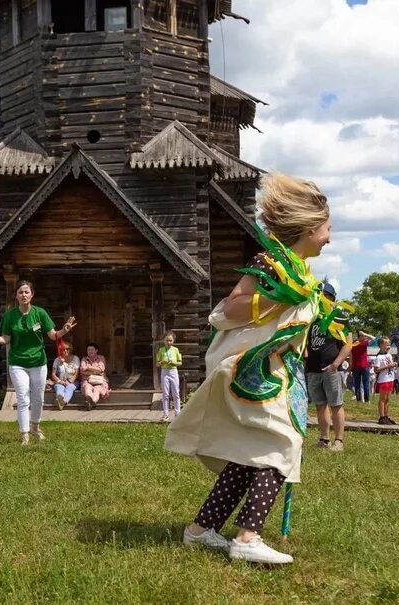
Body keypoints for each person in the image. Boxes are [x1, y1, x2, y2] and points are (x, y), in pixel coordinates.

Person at [166, 172, 339, 565]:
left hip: (281, 373)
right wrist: (277, 298)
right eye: (328, 228)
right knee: (280, 445)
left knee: (249, 456)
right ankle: (247, 537)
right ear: (312, 228)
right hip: (257, 371)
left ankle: (199, 530)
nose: (330, 237)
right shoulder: (273, 263)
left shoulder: (301, 271)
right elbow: (230, 308)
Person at [0, 280, 76, 444]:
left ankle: (35, 427)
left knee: (38, 398)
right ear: (16, 296)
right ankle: (24, 434)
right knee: (23, 397)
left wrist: (64, 330)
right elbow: (6, 339)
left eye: (26, 292)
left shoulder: (40, 313)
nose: (23, 295)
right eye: (20, 292)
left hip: (38, 362)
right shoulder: (10, 316)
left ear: (32, 294)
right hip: (17, 362)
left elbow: (53, 335)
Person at [306, 283, 353, 451]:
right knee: (320, 404)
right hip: (313, 368)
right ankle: (323, 438)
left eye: (326, 295)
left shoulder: (339, 317)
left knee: (336, 404)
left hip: (332, 368)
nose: (322, 298)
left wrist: (336, 363)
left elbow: (348, 344)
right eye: (319, 294)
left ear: (333, 298)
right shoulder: (311, 316)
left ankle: (338, 440)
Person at [157, 330, 183, 421]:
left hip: (173, 371)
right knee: (165, 394)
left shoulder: (176, 350)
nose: (168, 342)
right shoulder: (161, 350)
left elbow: (180, 363)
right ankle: (165, 414)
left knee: (176, 393)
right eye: (167, 340)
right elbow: (157, 364)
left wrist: (174, 362)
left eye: (170, 341)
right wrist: (161, 362)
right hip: (164, 372)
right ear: (164, 341)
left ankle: (178, 413)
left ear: (173, 341)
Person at [372, 337, 397, 425]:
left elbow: (390, 365)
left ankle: (386, 415)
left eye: (389, 345)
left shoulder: (389, 355)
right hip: (383, 379)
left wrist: (394, 365)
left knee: (387, 399)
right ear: (381, 345)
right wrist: (388, 366)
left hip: (390, 378)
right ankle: (382, 416)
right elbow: (376, 369)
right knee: (382, 399)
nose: (388, 346)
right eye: (386, 345)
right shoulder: (379, 357)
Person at [81, 342, 110, 410]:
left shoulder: (101, 358)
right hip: (87, 380)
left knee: (97, 389)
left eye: (92, 350)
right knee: (87, 387)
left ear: (96, 350)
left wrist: (88, 367)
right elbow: (82, 370)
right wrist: (96, 371)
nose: (90, 351)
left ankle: (91, 402)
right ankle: (91, 402)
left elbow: (101, 369)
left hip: (99, 381)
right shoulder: (84, 359)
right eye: (88, 350)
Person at [51, 343, 80, 410]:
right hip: (60, 381)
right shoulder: (57, 360)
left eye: (67, 349)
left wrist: (69, 381)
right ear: (60, 350)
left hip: (72, 382)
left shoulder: (75, 358)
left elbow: (76, 374)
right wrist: (60, 381)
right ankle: (59, 399)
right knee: (59, 387)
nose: (65, 351)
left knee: (70, 387)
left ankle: (62, 402)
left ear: (71, 349)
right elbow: (53, 374)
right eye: (63, 349)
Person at [350, 330, 375, 402]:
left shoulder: (353, 344)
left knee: (357, 384)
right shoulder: (365, 343)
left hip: (356, 366)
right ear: (360, 336)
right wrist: (366, 334)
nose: (365, 337)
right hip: (364, 366)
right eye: (363, 336)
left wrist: (350, 366)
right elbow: (374, 338)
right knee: (366, 383)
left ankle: (358, 399)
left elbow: (351, 356)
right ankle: (367, 400)